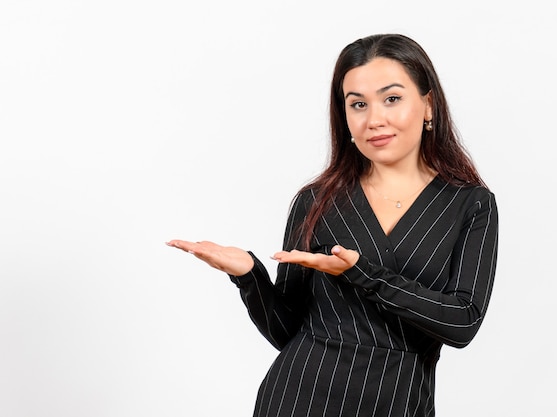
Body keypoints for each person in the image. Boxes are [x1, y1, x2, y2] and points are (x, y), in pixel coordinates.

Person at [167, 33, 498, 417]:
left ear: (428, 105)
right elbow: (285, 331)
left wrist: (361, 274)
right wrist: (249, 276)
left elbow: (463, 323)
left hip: (397, 403)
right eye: (358, 104)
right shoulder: (317, 200)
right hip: (296, 399)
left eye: (392, 98)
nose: (374, 119)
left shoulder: (470, 204)